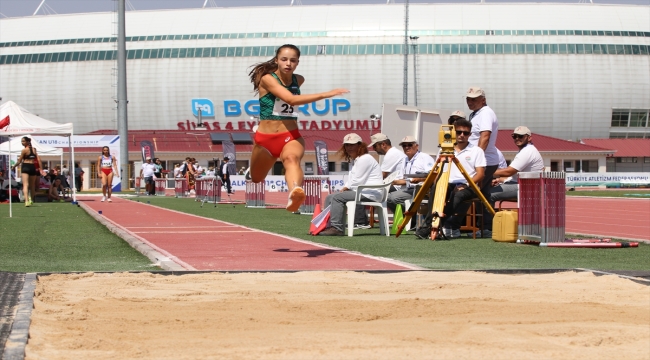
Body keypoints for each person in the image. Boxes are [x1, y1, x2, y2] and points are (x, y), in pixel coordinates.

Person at [248, 43, 349, 212]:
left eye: (293, 60)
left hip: (290, 135)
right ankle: (266, 176)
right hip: (265, 140)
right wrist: (327, 94)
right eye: (284, 59)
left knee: (292, 160)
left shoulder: (298, 80)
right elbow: (291, 100)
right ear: (277, 60)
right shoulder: (267, 79)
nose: (288, 63)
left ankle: (295, 191)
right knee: (257, 178)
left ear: (298, 63)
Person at [416, 119, 487, 240]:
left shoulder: (477, 151)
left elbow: (480, 174)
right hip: (447, 183)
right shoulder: (444, 150)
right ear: (453, 133)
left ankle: (434, 224)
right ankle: (430, 223)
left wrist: (466, 184)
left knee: (458, 194)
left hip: (469, 185)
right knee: (435, 188)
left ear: (470, 135)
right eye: (458, 132)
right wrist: (435, 184)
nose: (462, 135)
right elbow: (438, 172)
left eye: (466, 133)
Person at [319, 133, 383, 236]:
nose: (349, 147)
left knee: (336, 198)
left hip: (370, 193)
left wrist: (346, 189)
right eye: (347, 145)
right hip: (363, 191)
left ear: (360, 145)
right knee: (329, 197)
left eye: (352, 145)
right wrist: (345, 187)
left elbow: (358, 180)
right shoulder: (357, 160)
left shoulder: (365, 159)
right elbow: (352, 180)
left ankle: (337, 228)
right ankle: (326, 225)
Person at [465, 87, 499, 236]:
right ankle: (487, 227)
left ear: (483, 100)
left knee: (468, 191)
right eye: (468, 99)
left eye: (474, 99)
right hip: (483, 160)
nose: (470, 102)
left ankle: (453, 224)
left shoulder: (485, 113)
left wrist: (475, 159)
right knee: (483, 195)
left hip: (484, 161)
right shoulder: (476, 114)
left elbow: (484, 136)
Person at [491, 126, 545, 202]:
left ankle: (488, 214)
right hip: (526, 185)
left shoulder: (527, 151)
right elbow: (515, 176)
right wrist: (500, 179)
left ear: (529, 138)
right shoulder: (526, 150)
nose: (517, 138)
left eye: (520, 136)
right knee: (488, 190)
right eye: (514, 136)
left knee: (489, 194)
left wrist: (486, 172)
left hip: (526, 187)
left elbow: (509, 171)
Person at [386, 136, 435, 213]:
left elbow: (432, 175)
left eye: (409, 145)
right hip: (408, 189)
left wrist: (417, 180)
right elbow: (401, 178)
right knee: (386, 197)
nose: (406, 147)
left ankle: (410, 217)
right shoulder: (404, 159)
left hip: (421, 190)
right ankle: (406, 218)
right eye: (404, 145)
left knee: (394, 198)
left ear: (416, 146)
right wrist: (392, 181)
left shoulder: (425, 157)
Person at [11, 136, 41, 207]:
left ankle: (26, 201)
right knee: (32, 185)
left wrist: (14, 166)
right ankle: (31, 199)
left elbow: (19, 161)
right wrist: (40, 168)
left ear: (28, 142)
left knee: (25, 185)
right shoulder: (34, 149)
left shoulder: (24, 150)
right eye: (22, 141)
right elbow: (38, 159)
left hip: (25, 166)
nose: (22, 143)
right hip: (32, 167)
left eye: (23, 141)